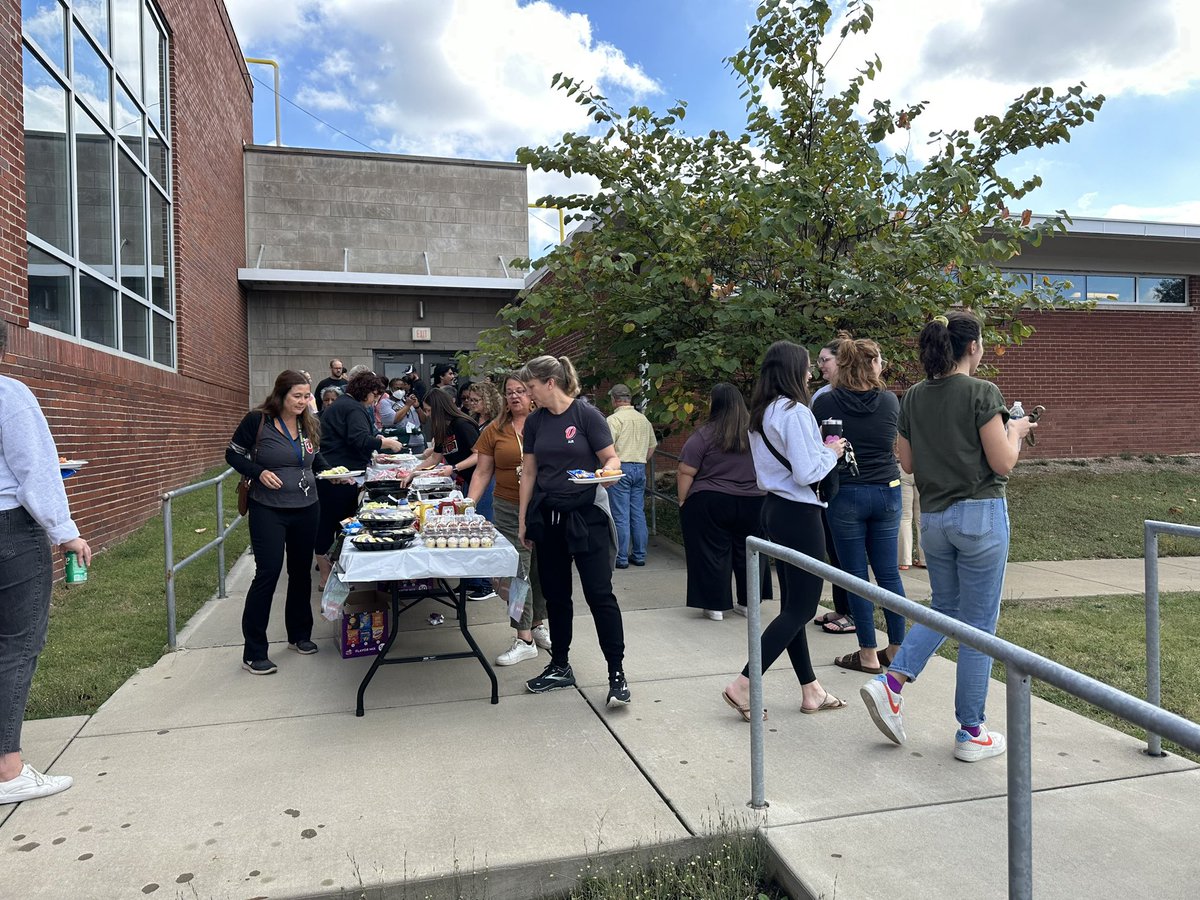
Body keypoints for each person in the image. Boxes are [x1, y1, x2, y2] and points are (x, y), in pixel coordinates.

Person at [860, 310, 1036, 763]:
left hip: (934, 521)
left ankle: (891, 682)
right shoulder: (983, 392)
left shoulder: (914, 396)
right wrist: (1015, 430)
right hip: (980, 515)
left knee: (947, 609)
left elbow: (908, 463)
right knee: (979, 627)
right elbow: (1002, 463)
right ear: (972, 347)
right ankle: (970, 730)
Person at [722, 341, 847, 721]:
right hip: (800, 512)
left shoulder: (761, 413)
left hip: (775, 508)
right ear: (793, 370)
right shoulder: (794, 412)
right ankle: (743, 684)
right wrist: (834, 452)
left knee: (794, 607)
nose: (810, 373)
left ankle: (812, 690)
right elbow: (808, 472)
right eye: (807, 367)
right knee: (803, 608)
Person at [0, 319, 91, 804]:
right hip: (10, 528)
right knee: (16, 646)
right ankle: (8, 770)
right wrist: (67, 533)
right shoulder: (10, 395)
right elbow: (35, 470)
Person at [517, 355, 630, 707]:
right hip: (549, 517)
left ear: (550, 382)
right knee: (556, 596)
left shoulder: (586, 415)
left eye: (531, 386)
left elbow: (611, 460)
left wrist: (605, 473)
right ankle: (560, 665)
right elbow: (530, 472)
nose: (528, 393)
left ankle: (616, 672)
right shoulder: (535, 422)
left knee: (600, 595)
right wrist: (523, 520)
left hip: (587, 517)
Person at [813, 339, 906, 675]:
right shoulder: (889, 402)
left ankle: (867, 652)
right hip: (887, 491)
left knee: (855, 576)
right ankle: (896, 647)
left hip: (846, 493)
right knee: (888, 574)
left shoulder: (825, 403)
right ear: (871, 364)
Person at [226, 371, 324, 675]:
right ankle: (254, 652)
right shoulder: (257, 421)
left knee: (300, 573)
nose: (303, 401)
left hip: (307, 506)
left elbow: (313, 459)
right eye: (297, 395)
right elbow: (233, 454)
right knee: (267, 573)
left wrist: (338, 473)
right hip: (269, 508)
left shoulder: (309, 423)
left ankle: (299, 635)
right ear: (280, 394)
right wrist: (258, 472)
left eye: (307, 396)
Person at [470, 374, 551, 665]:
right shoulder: (496, 429)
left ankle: (537, 624)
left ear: (532, 394)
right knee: (519, 570)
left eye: (521, 391)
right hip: (507, 508)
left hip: (543, 506)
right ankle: (523, 636)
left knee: (542, 569)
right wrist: (469, 504)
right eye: (509, 392)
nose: (515, 396)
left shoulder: (546, 423)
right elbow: (482, 472)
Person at [677, 384, 766, 621]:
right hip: (754, 501)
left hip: (711, 500)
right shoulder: (757, 432)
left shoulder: (705, 434)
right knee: (750, 554)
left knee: (711, 552)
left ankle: (714, 605)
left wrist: (683, 500)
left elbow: (686, 470)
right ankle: (749, 604)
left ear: (715, 404)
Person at [315, 371, 404, 588]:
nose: (375, 400)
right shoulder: (352, 407)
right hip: (339, 476)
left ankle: (332, 573)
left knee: (333, 523)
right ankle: (328, 576)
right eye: (375, 395)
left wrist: (376, 448)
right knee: (331, 525)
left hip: (339, 472)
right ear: (366, 391)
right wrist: (387, 444)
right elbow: (359, 439)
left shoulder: (346, 405)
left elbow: (354, 437)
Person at [810, 336, 855, 635]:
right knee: (834, 549)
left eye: (825, 360)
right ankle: (840, 608)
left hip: (853, 481)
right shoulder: (822, 397)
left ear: (841, 360)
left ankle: (851, 613)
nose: (820, 367)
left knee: (848, 553)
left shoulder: (859, 394)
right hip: (828, 481)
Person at [605, 383, 657, 569]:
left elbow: (607, 448)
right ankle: (640, 554)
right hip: (640, 467)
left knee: (620, 514)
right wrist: (641, 459)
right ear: (629, 399)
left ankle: (621, 557)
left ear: (614, 399)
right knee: (638, 513)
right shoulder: (644, 420)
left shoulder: (613, 420)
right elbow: (652, 446)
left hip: (620, 468)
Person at [898, 470, 923, 570]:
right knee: (921, 518)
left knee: (904, 518)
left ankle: (904, 561)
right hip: (921, 469)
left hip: (902, 470)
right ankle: (925, 559)